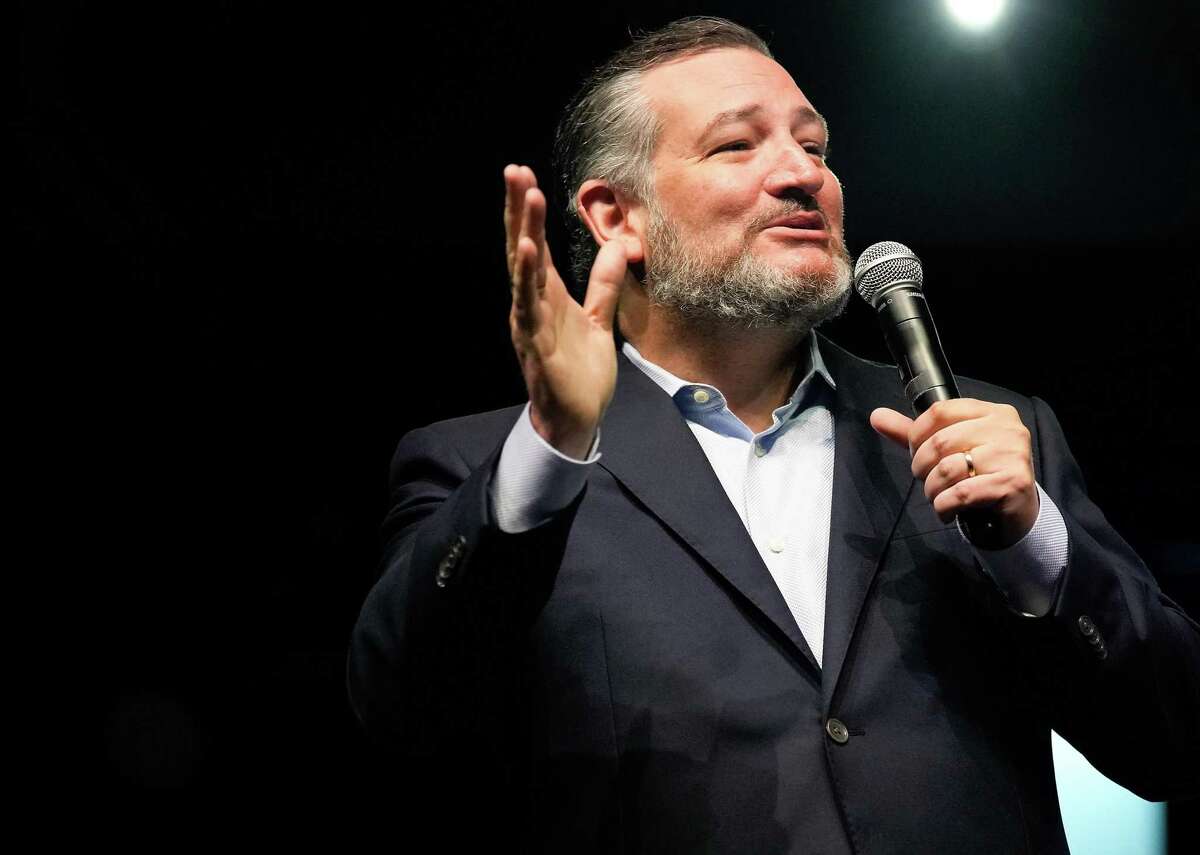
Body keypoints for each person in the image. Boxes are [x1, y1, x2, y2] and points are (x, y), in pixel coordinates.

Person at [348, 17, 1199, 853]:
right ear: (615, 216)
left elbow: (1172, 739)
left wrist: (1034, 545)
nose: (802, 176)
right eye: (736, 147)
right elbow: (402, 711)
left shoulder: (995, 439)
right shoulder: (488, 470)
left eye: (816, 148)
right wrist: (553, 442)